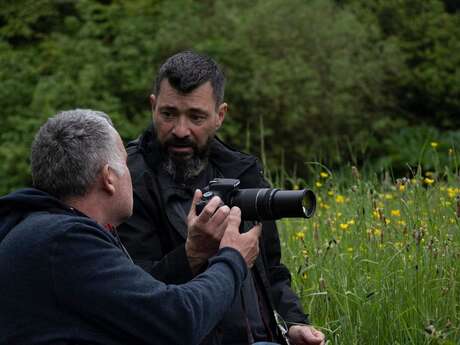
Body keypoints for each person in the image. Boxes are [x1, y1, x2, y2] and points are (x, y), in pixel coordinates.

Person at [0, 109, 263, 345]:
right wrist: (233, 259)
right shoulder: (64, 241)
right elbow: (179, 323)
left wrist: (191, 254)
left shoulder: (44, 231)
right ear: (109, 178)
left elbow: (139, 307)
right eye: (125, 164)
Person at [118, 51, 325, 345]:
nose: (180, 130)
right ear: (153, 107)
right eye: (168, 114)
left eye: (196, 116)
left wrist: (294, 324)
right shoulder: (129, 181)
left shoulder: (242, 170)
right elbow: (132, 298)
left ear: (220, 116)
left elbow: (273, 271)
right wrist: (192, 253)